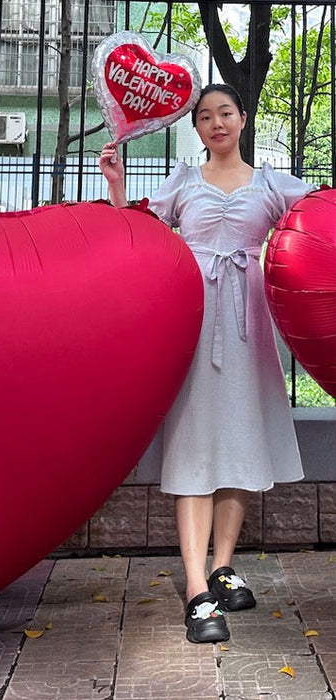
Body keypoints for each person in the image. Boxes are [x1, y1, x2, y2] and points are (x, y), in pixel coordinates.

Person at [99, 84, 317, 644]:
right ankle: (197, 589)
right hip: (192, 323)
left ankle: (223, 567)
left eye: (225, 112)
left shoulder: (272, 183)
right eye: (204, 117)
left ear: (243, 119)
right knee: (194, 444)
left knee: (240, 442)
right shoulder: (183, 182)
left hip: (248, 325)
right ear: (195, 129)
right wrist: (118, 186)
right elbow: (138, 234)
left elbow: (321, 217)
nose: (216, 123)